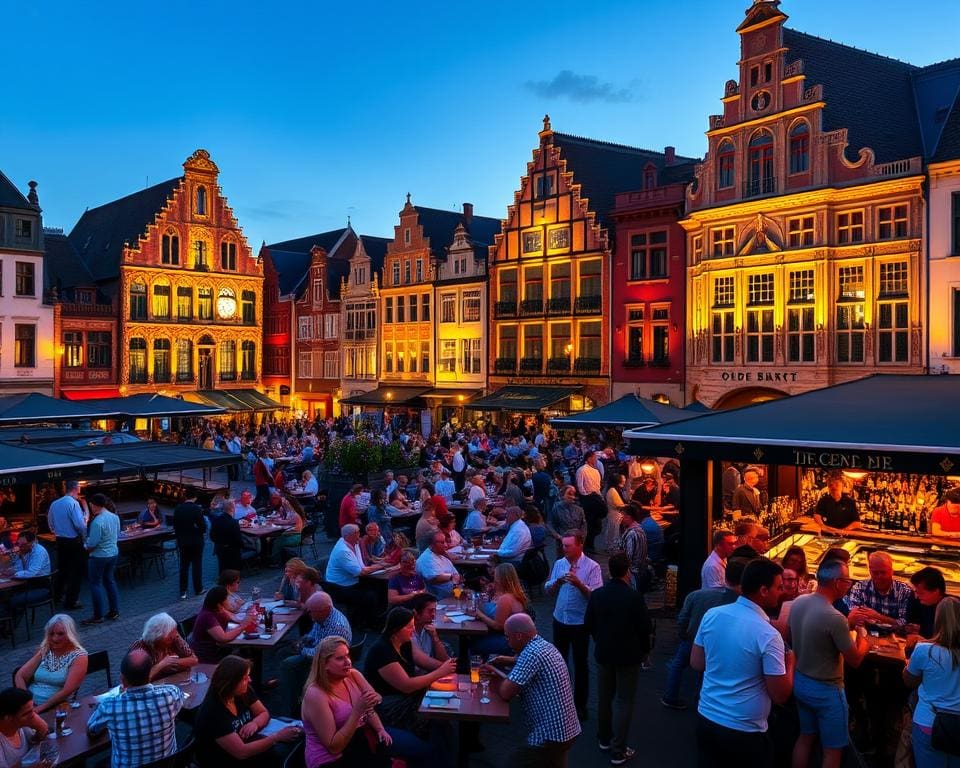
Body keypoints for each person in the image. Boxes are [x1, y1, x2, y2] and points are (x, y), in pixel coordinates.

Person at [691, 558, 795, 768]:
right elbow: (780, 694)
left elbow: (697, 663)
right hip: (744, 730)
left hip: (707, 717)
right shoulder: (768, 634)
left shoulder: (712, 615)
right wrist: (791, 662)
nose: (781, 592)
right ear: (763, 590)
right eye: (778, 587)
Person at [789, 559, 870, 768]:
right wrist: (864, 640)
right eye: (847, 581)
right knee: (832, 750)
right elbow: (855, 659)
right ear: (836, 583)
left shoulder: (799, 602)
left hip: (800, 680)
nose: (849, 585)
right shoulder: (834, 617)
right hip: (827, 690)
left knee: (805, 738)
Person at [363, 607, 455, 765]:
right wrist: (440, 672)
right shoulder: (382, 651)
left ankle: (447, 759)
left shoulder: (405, 644)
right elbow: (406, 686)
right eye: (409, 627)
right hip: (387, 706)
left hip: (405, 698)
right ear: (396, 629)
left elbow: (424, 663)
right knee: (436, 721)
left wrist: (445, 664)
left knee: (443, 721)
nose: (413, 630)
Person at [585, 552, 651, 765]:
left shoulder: (598, 595)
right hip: (628, 655)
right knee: (624, 700)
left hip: (604, 653)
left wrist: (600, 639)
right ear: (627, 571)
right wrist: (644, 651)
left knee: (604, 697)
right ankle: (618, 748)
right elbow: (645, 628)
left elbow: (589, 623)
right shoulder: (634, 598)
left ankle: (604, 738)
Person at [494, 613, 582, 767]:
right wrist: (508, 661)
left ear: (519, 636)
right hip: (568, 729)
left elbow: (505, 693)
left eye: (508, 637)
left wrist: (493, 674)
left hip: (550, 735)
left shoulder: (531, 654)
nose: (507, 641)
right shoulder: (544, 646)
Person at [662, 557, 748, 711]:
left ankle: (670, 695)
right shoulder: (740, 603)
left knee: (678, 664)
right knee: (705, 670)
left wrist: (684, 634)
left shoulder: (697, 595)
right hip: (716, 645)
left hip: (691, 638)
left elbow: (682, 618)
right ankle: (701, 700)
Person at [194, 654, 301, 766]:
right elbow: (241, 752)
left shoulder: (243, 692)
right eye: (245, 678)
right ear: (231, 683)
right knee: (278, 756)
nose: (249, 680)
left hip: (249, 743)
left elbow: (263, 713)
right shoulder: (213, 712)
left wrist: (255, 723)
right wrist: (277, 737)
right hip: (223, 758)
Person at [301, 636, 392, 767]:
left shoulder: (352, 675)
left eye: (347, 656)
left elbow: (374, 700)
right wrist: (357, 711)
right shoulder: (316, 694)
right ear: (324, 664)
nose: (348, 662)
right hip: (329, 760)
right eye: (340, 658)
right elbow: (333, 747)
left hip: (356, 744)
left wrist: (375, 702)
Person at [86, 648, 185, 768]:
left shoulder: (109, 706)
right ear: (149, 674)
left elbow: (91, 730)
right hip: (168, 764)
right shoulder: (171, 694)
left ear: (122, 680)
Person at [545, 532, 603, 722]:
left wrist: (579, 584)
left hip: (579, 622)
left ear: (579, 546)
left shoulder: (592, 567)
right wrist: (556, 583)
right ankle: (560, 701)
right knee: (559, 663)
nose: (564, 549)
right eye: (563, 545)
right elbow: (548, 590)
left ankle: (580, 705)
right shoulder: (560, 564)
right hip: (559, 619)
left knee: (580, 664)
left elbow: (595, 597)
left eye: (568, 546)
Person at [903, 597, 960, 768]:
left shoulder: (924, 651)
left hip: (929, 722)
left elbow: (909, 680)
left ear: (939, 620)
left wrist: (907, 662)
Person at [280, 592, 353, 717]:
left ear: (326, 609)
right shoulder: (323, 617)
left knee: (288, 665)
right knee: (283, 650)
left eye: (312, 612)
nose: (310, 615)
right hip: (319, 652)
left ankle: (293, 709)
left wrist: (301, 649)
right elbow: (314, 634)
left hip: (327, 661)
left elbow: (321, 655)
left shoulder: (336, 626)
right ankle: (296, 693)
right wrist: (303, 640)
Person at [14, 614, 88, 713]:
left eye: (60, 634)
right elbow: (20, 676)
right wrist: (25, 703)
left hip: (56, 708)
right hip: (30, 705)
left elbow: (67, 690)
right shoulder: (45, 650)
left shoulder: (79, 657)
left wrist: (38, 709)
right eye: (51, 634)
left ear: (70, 634)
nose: (54, 638)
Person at [324, 525, 381, 626]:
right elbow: (360, 572)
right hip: (339, 587)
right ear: (350, 535)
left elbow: (361, 564)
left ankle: (373, 617)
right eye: (358, 533)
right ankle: (369, 623)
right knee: (371, 595)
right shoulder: (343, 551)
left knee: (376, 585)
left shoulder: (353, 544)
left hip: (350, 581)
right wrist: (381, 566)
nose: (359, 536)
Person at [469, 563, 531, 656]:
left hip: (508, 640)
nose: (493, 578)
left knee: (473, 643)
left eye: (495, 575)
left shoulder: (506, 598)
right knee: (473, 637)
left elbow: (498, 626)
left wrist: (479, 614)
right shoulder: (506, 593)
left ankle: (475, 666)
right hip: (511, 636)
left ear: (500, 578)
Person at [46, 479, 88, 610]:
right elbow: (80, 525)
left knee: (62, 569)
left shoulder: (54, 504)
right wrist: (84, 535)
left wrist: (57, 531)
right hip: (73, 541)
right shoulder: (73, 504)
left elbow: (50, 523)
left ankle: (56, 596)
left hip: (60, 540)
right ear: (76, 489)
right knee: (76, 572)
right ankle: (71, 601)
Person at [845, 550, 912, 627]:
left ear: (891, 571)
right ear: (870, 571)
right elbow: (855, 618)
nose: (879, 576)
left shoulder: (904, 591)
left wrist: (877, 616)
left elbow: (905, 624)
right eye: (875, 573)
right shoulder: (859, 588)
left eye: (883, 572)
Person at [83, 493, 121, 625]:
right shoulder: (114, 517)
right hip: (113, 554)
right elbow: (117, 535)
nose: (90, 507)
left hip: (99, 556)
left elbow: (92, 544)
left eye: (91, 505)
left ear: (94, 505)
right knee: (110, 581)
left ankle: (98, 615)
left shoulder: (97, 521)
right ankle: (114, 610)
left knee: (95, 584)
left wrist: (85, 544)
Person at [130, 612, 200, 681]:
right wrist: (161, 665)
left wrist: (173, 661)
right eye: (170, 637)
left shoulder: (174, 636)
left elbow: (194, 660)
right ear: (157, 638)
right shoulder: (139, 650)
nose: (175, 636)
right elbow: (138, 682)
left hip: (175, 681)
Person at [189, 586, 250, 663]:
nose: (229, 601)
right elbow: (223, 638)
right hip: (207, 656)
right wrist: (243, 625)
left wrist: (249, 616)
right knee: (246, 656)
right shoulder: (207, 616)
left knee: (246, 651)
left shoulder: (219, 609)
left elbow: (234, 619)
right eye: (227, 598)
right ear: (219, 603)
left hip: (218, 649)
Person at [0, 687, 49, 766]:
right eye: (27, 712)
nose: (33, 715)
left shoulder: (22, 725)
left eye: (32, 709)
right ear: (8, 718)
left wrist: (41, 728)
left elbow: (35, 745)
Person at [173, 491, 207, 599]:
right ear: (195, 498)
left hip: (183, 542)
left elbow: (175, 526)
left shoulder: (178, 508)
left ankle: (183, 591)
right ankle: (198, 589)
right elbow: (203, 527)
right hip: (196, 541)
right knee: (197, 565)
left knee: (184, 566)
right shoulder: (197, 509)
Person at [407, 593, 450, 672]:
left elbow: (444, 660)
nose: (434, 615)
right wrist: (449, 668)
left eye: (435, 611)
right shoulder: (406, 632)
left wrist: (435, 638)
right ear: (416, 613)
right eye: (430, 611)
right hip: (414, 679)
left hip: (429, 675)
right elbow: (422, 661)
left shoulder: (429, 629)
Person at [415, 531, 461, 599]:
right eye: (442, 542)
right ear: (431, 544)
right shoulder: (426, 559)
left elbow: (456, 576)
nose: (446, 545)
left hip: (454, 594)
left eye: (445, 541)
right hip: (439, 599)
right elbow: (434, 579)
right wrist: (451, 577)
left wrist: (458, 594)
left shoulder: (442, 556)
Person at [906, 567, 948, 641]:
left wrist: (926, 642)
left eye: (921, 593)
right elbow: (911, 624)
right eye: (915, 591)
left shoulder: (951, 607)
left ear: (936, 591)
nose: (916, 596)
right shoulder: (916, 600)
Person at [575, 451, 605, 551]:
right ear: (588, 458)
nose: (596, 459)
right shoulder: (581, 470)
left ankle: (589, 542)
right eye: (594, 457)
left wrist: (599, 497)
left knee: (597, 524)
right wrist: (586, 498)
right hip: (588, 499)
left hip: (596, 497)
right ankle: (588, 544)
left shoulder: (596, 471)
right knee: (589, 522)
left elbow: (598, 487)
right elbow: (580, 486)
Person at [618, 504, 649, 592]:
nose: (621, 519)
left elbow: (628, 556)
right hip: (640, 570)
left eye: (622, 516)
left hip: (632, 574)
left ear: (628, 517)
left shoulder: (632, 533)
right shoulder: (640, 529)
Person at [211, 499, 245, 573]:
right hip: (232, 551)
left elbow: (212, 536)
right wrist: (243, 546)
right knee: (233, 572)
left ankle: (223, 582)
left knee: (222, 569)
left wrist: (220, 543)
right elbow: (238, 539)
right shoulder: (233, 523)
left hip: (220, 549)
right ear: (232, 509)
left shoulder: (216, 520)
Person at [602, 472, 627, 553]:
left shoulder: (611, 489)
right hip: (614, 514)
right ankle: (612, 547)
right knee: (613, 531)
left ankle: (610, 546)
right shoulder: (612, 490)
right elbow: (619, 504)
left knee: (611, 530)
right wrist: (627, 505)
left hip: (612, 514)